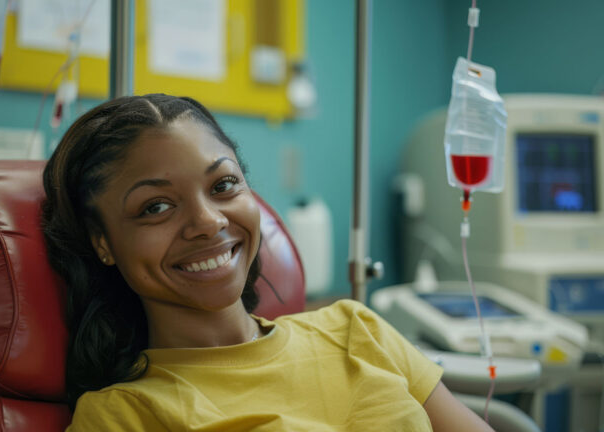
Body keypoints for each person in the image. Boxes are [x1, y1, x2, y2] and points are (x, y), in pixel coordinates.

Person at [41, 94, 494, 431]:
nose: (207, 221)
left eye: (223, 185)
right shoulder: (123, 416)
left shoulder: (356, 330)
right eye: (155, 207)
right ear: (103, 243)